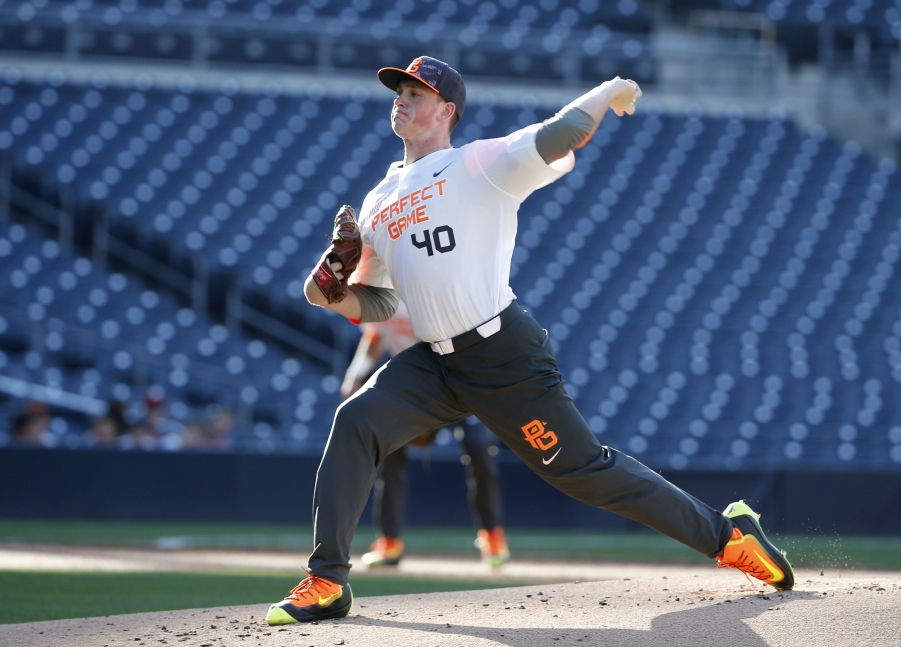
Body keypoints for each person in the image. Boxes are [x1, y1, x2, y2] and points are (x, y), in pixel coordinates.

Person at [266, 56, 794, 626]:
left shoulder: (478, 165)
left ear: (447, 110)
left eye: (415, 92)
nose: (401, 98)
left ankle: (731, 536)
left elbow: (562, 133)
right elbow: (379, 303)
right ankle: (327, 581)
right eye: (399, 90)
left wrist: (608, 91)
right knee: (356, 421)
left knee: (586, 473)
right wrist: (328, 292)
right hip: (434, 364)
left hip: (503, 355)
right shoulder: (378, 200)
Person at [340, 302, 509, 568]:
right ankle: (389, 542)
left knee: (479, 447)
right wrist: (355, 376)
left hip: (459, 381)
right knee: (389, 448)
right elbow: (375, 337)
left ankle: (492, 536)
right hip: (416, 385)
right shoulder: (384, 298)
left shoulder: (433, 288)